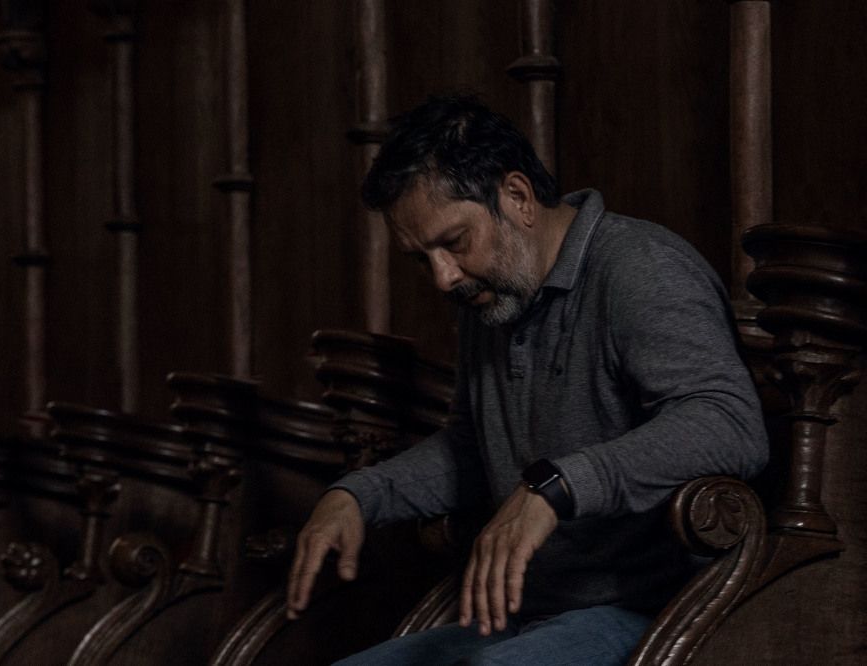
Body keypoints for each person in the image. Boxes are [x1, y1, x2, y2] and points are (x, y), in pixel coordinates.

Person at [286, 95, 768, 665]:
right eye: (422, 258)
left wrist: (558, 486)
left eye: (454, 242)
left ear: (517, 197)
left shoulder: (641, 267)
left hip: (654, 613)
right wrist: (357, 495)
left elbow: (730, 422)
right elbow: (472, 451)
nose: (443, 278)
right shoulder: (490, 299)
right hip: (525, 615)